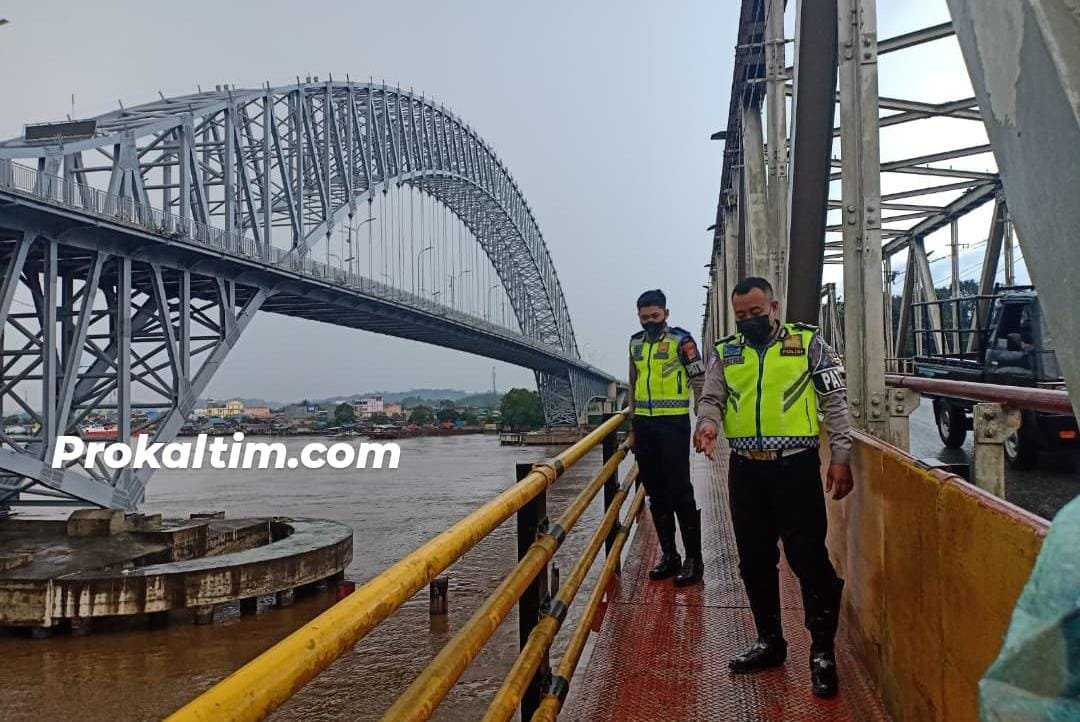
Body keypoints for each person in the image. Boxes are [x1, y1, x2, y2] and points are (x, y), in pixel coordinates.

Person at [693, 276, 854, 698]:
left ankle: (822, 652)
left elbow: (834, 401)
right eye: (741, 315)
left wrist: (840, 456)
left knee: (808, 560)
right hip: (746, 471)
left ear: (774, 306)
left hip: (795, 468)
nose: (748, 321)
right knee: (754, 561)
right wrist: (707, 424)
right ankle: (770, 642)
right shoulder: (726, 352)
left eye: (756, 313)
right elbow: (711, 398)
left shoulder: (809, 344)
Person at [626, 289, 707, 586]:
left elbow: (699, 381)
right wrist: (633, 428)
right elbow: (632, 385)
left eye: (655, 316)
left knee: (680, 492)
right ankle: (669, 555)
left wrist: (702, 422)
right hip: (645, 428)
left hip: (673, 425)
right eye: (644, 317)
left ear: (665, 314)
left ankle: (693, 560)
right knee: (656, 493)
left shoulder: (681, 341)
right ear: (638, 316)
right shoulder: (635, 343)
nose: (649, 322)